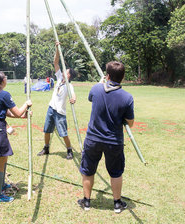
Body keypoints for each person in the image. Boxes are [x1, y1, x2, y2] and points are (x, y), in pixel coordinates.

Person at [78, 61, 134, 213]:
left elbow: (91, 97)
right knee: (116, 172)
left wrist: (100, 83)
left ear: (107, 75)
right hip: (113, 141)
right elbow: (130, 122)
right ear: (123, 77)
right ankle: (117, 203)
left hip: (93, 139)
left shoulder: (96, 89)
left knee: (88, 170)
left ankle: (87, 202)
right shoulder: (127, 97)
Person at [0, 71, 32, 203]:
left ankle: (2, 185)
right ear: (3, 80)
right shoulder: (4, 94)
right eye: (6, 77)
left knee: (3, 160)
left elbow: (11, 114)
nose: (7, 79)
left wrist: (23, 114)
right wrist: (26, 104)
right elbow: (17, 111)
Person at [37, 41, 76, 160]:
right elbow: (55, 62)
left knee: (63, 133)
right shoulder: (59, 78)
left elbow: (73, 96)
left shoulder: (70, 86)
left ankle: (69, 150)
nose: (64, 72)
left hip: (60, 113)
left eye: (66, 71)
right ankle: (46, 148)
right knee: (47, 130)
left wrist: (73, 99)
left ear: (69, 75)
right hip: (51, 109)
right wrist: (57, 49)